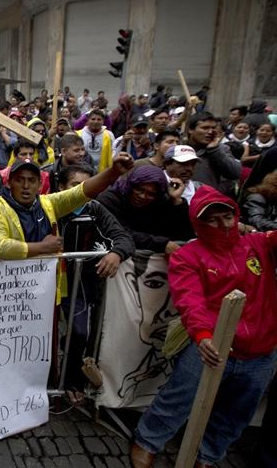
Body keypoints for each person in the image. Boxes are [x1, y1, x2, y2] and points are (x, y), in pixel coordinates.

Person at [130, 187, 277, 468]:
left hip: (260, 352)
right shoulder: (189, 256)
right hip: (211, 346)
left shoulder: (258, 244)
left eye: (227, 216)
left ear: (237, 216)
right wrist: (203, 336)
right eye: (213, 219)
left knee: (237, 412)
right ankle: (147, 440)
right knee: (179, 397)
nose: (222, 225)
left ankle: (208, 453)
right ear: (198, 224)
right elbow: (190, 301)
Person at [56, 164, 135, 403]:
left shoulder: (96, 209)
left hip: (79, 284)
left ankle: (71, 380)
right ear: (61, 187)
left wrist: (117, 253)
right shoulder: (48, 207)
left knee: (81, 332)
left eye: (88, 186)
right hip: (44, 285)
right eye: (74, 186)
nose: (82, 192)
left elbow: (123, 237)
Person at [0, 153, 133, 260]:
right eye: (19, 180)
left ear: (40, 185)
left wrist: (112, 172)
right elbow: (0, 247)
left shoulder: (48, 203)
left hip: (45, 287)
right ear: (9, 183)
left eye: (31, 180)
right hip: (10, 287)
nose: (25, 186)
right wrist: (43, 247)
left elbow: (81, 192)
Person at [96, 165, 194, 254]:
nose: (143, 196)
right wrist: (161, 244)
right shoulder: (110, 200)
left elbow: (184, 234)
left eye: (150, 194)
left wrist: (177, 201)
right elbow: (120, 232)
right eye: (139, 189)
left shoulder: (159, 201)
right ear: (131, 185)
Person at [186, 112, 242, 196]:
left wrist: (214, 150)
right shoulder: (178, 147)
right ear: (190, 129)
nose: (210, 132)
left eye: (213, 128)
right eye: (205, 128)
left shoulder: (221, 149)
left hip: (207, 200)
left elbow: (235, 173)